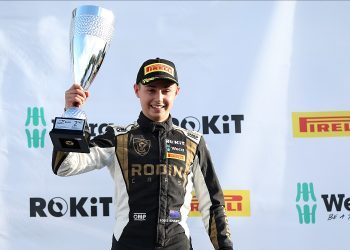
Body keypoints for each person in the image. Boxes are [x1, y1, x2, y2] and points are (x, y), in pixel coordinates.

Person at [52, 58, 233, 250]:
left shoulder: (192, 142)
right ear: (137, 90)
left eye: (166, 90)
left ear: (176, 92)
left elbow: (213, 206)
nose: (159, 98)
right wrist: (70, 115)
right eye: (151, 90)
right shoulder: (118, 138)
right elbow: (64, 166)